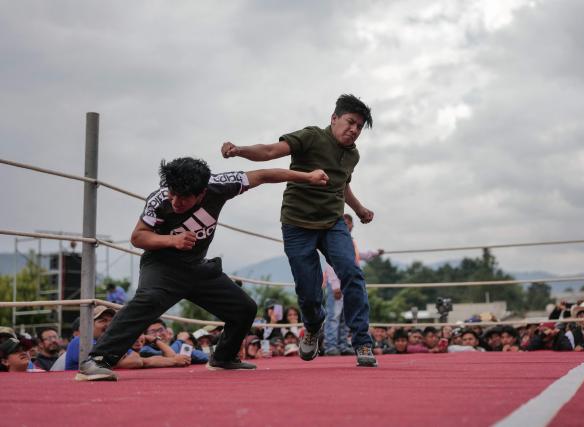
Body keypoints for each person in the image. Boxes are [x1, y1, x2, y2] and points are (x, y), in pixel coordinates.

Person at [77, 157, 329, 381]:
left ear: (201, 194)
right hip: (161, 265)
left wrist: (307, 176)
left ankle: (223, 358)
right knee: (149, 299)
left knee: (245, 308)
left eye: (183, 198)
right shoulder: (158, 200)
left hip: (197, 268)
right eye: (172, 194)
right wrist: (170, 240)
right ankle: (97, 360)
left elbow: (263, 175)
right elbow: (138, 237)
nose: (175, 201)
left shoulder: (220, 186)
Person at [221, 94, 378, 367]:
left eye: (359, 127)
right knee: (309, 291)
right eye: (350, 122)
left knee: (352, 272)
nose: (354, 130)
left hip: (332, 223)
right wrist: (239, 150)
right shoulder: (311, 137)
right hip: (297, 224)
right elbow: (270, 151)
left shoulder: (353, 155)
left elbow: (342, 185)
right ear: (334, 118)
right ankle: (314, 327)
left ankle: (362, 342)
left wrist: (360, 209)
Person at [323, 213, 383, 356]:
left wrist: (375, 253)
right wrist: (335, 285)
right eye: (345, 222)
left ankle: (343, 344)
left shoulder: (349, 241)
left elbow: (360, 255)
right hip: (337, 283)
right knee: (334, 316)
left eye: (349, 223)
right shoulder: (335, 241)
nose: (348, 225)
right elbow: (330, 264)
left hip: (348, 282)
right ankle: (331, 346)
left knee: (345, 315)